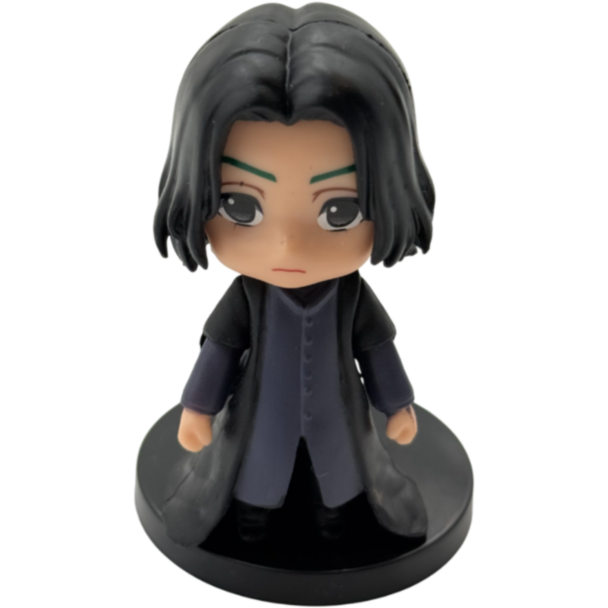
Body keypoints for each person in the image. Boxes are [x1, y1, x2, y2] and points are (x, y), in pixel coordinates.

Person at [153, 2, 435, 546]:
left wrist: (396, 404)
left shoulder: (351, 298)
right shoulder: (247, 299)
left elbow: (378, 351)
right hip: (262, 416)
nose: (287, 246)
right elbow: (218, 354)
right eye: (241, 207)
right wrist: (198, 408)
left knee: (340, 476)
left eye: (339, 211)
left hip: (338, 413)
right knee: (257, 476)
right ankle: (252, 521)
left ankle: (335, 519)